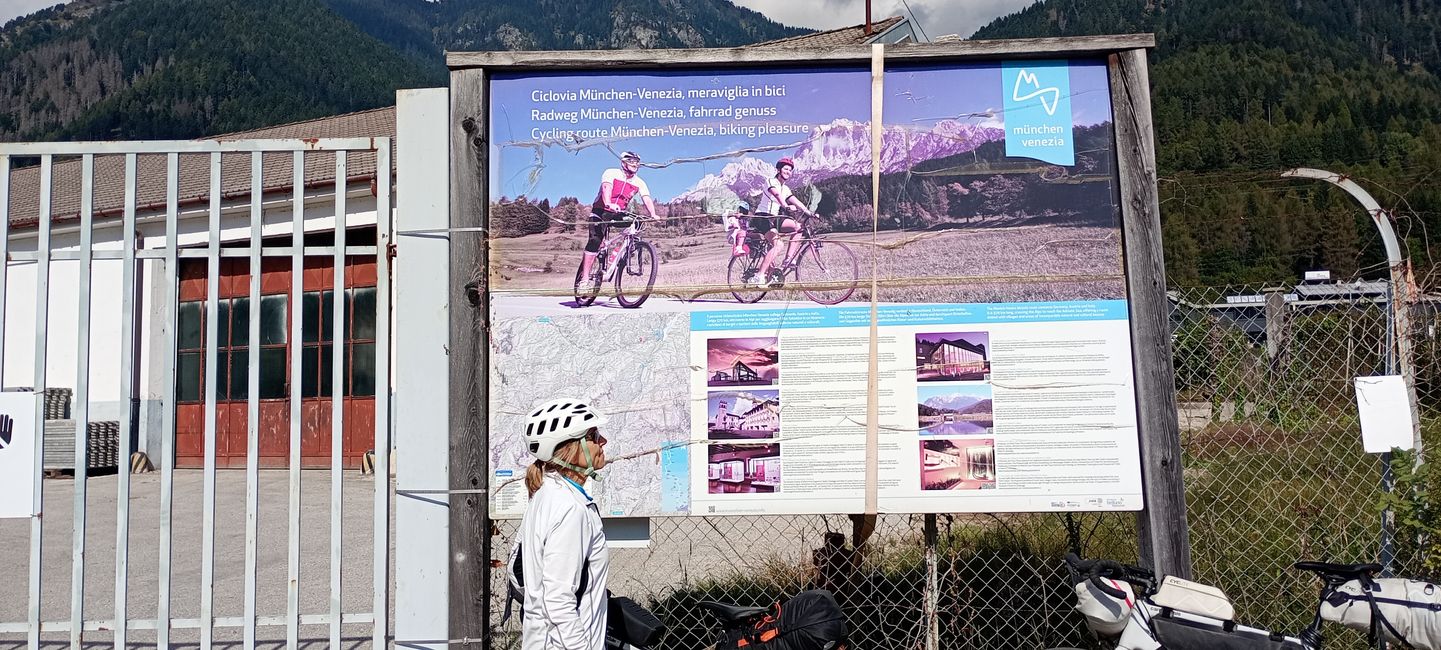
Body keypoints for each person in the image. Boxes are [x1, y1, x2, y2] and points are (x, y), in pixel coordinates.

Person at [519, 398, 611, 650]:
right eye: (593, 436)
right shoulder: (569, 508)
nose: (602, 441)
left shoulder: (546, 494)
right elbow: (559, 600)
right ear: (570, 448)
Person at [578, 151, 661, 294]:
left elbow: (646, 198)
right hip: (601, 210)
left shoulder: (639, 182)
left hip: (619, 213)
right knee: (595, 241)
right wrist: (608, 203)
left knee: (638, 223)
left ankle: (621, 250)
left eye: (637, 161)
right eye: (631, 160)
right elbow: (606, 188)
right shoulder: (611, 173)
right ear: (623, 163)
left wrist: (653, 214)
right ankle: (584, 280)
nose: (635, 163)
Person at [751, 157, 815, 287]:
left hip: (774, 218)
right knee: (778, 245)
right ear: (779, 170)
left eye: (790, 170)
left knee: (799, 227)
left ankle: (788, 259)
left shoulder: (785, 189)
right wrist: (785, 206)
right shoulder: (770, 181)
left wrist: (810, 213)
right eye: (786, 169)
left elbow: (797, 202)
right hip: (762, 217)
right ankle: (759, 276)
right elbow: (776, 195)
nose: (788, 172)